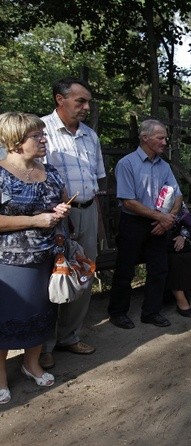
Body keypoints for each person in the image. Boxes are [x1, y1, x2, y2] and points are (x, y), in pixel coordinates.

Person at [0, 112, 72, 403]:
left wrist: (60, 211)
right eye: (36, 136)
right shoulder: (1, 174)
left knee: (42, 315)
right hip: (10, 262)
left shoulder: (51, 170)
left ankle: (31, 364)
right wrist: (35, 221)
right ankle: (1, 375)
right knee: (6, 318)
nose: (44, 139)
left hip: (49, 257)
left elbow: (62, 200)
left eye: (44, 134)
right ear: (16, 142)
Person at [40, 77, 105, 369]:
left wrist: (99, 222)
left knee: (83, 272)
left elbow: (96, 182)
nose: (86, 107)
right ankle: (43, 345)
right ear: (60, 99)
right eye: (80, 101)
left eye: (87, 101)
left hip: (88, 209)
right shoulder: (40, 130)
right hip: (53, 216)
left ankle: (70, 336)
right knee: (52, 276)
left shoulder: (90, 136)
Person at [107, 119, 183, 329]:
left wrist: (168, 220)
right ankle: (117, 312)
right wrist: (160, 217)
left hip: (160, 223)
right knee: (125, 269)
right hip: (133, 223)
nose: (165, 141)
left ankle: (151, 312)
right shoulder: (127, 164)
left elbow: (177, 196)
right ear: (145, 138)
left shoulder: (164, 166)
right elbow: (128, 201)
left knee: (159, 269)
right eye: (160, 137)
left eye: (165, 137)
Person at [166, 208, 191, 318]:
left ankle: (189, 289)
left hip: (175, 235)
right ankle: (181, 300)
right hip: (156, 235)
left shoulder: (176, 197)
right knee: (173, 259)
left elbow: (186, 220)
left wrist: (183, 236)